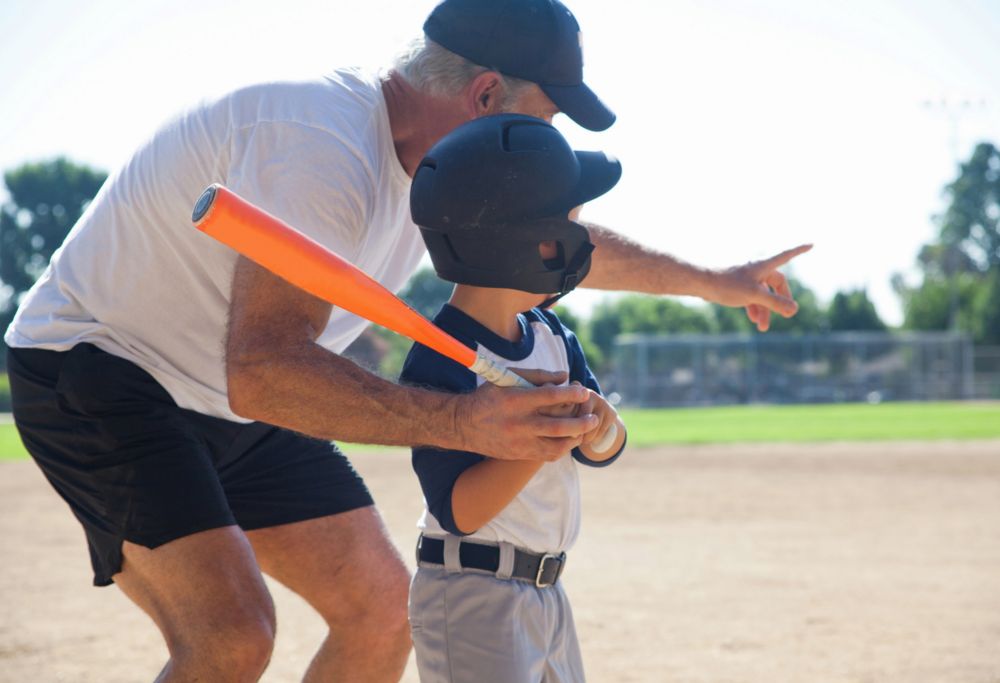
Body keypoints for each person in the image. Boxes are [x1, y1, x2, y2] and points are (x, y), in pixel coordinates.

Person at [5, 0, 808, 680]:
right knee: (231, 634)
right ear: (487, 95)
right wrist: (464, 422)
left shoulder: (437, 170)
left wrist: (715, 279)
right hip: (101, 371)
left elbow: (546, 233)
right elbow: (265, 373)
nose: (552, 148)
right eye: (548, 118)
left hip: (224, 392)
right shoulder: (321, 147)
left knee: (385, 611)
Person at [402, 113, 627, 682]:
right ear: (526, 242)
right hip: (473, 591)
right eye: (572, 221)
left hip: (548, 592)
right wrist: (539, 441)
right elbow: (461, 511)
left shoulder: (554, 337)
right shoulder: (438, 358)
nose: (584, 236)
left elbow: (605, 446)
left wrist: (597, 423)